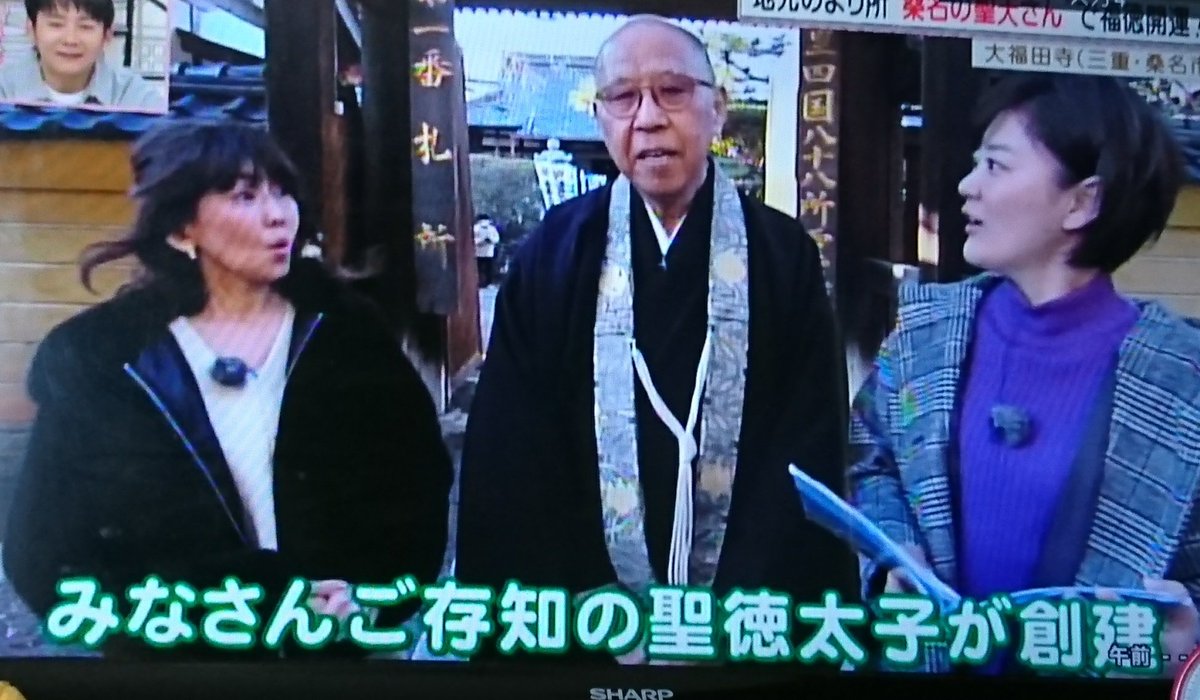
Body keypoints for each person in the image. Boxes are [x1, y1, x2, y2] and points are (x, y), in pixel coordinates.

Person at [455, 15, 857, 663]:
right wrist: (587, 607)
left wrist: (731, 609)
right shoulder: (555, 252)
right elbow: (515, 453)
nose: (647, 118)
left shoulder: (782, 255)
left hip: (741, 618)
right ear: (600, 117)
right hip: (582, 617)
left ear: (717, 108)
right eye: (623, 97)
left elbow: (806, 443)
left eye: (672, 91)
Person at [2, 123, 454, 659]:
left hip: (332, 663)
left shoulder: (350, 337)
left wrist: (369, 597)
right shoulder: (103, 360)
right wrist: (167, 627)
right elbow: (44, 550)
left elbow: (416, 494)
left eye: (282, 192)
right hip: (177, 670)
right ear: (181, 229)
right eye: (244, 196)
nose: (277, 214)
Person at [848, 73, 1200, 675]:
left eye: (995, 165)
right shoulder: (925, 332)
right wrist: (892, 555)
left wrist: (1184, 650)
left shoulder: (1181, 376)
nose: (967, 186)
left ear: (1082, 202)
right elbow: (870, 458)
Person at [0, 0, 163, 110]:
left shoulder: (135, 97)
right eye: (56, 24)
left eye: (86, 26)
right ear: (31, 30)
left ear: (107, 35)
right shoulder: (4, 89)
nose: (70, 40)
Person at [473, 214, 500, 287]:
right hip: (479, 252)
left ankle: (488, 282)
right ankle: (479, 282)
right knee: (479, 269)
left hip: (489, 252)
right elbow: (473, 239)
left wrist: (490, 240)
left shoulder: (492, 228)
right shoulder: (475, 228)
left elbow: (497, 239)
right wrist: (481, 241)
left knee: (489, 269)